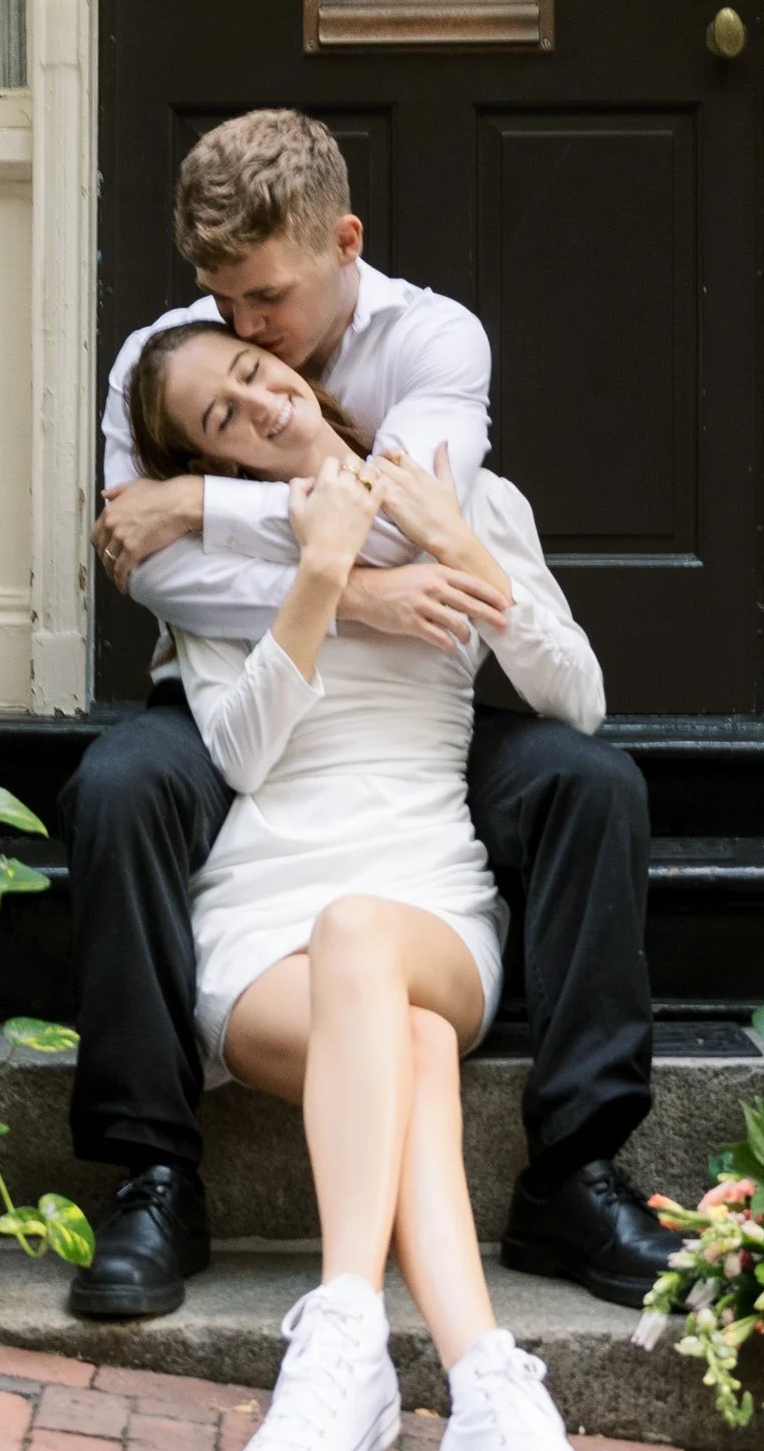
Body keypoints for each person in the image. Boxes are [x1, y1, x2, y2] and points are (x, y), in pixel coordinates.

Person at [62, 109, 677, 1324]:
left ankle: (574, 1169)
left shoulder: (432, 339)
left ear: (344, 243)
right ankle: (150, 1170)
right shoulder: (171, 355)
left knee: (592, 783)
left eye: (265, 312)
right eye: (219, 299)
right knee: (119, 785)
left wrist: (203, 499)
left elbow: (419, 513)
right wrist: (339, 586)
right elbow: (154, 573)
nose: (242, 334)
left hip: (422, 703)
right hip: (244, 687)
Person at [118, 318, 631, 1451]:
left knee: (370, 942)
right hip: (260, 923)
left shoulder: (470, 494)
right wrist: (316, 575)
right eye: (218, 422)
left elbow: (581, 699)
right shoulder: (222, 563)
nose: (256, 409)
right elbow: (236, 757)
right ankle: (485, 1390)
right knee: (400, 1039)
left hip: (429, 896)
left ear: (294, 365)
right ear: (205, 460)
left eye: (253, 375)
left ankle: (341, 1337)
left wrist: (463, 550)